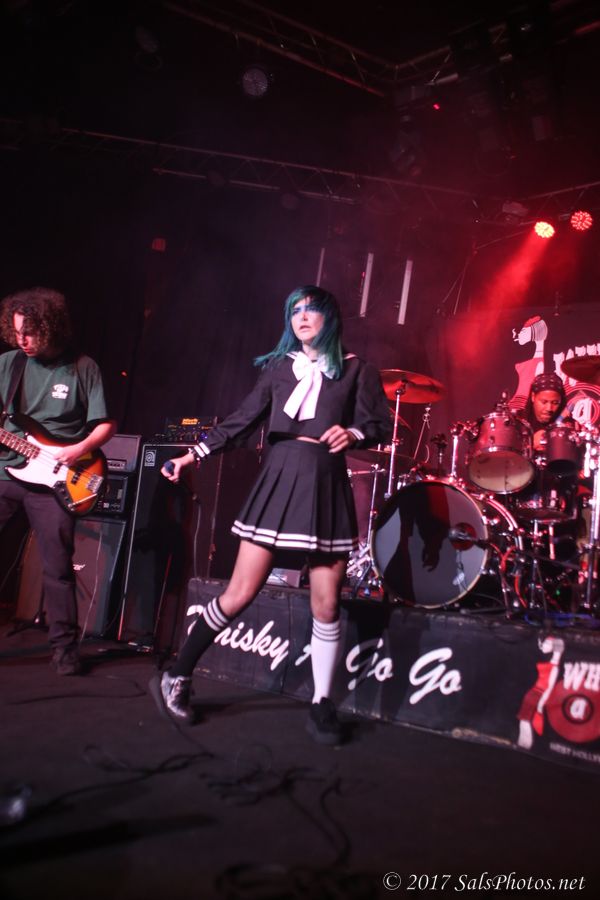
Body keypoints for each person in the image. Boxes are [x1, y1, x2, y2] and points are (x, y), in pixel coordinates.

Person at [150, 285, 392, 743]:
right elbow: (240, 421)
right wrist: (191, 456)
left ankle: (323, 703)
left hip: (325, 483)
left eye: (311, 310)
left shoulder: (358, 369)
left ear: (330, 318)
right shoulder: (279, 368)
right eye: (295, 311)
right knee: (240, 592)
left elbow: (379, 424)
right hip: (280, 478)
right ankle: (177, 674)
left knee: (327, 603)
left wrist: (355, 434)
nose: (302, 317)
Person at [0, 287, 116, 675]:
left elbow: (106, 424)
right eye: (17, 332)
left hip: (57, 478)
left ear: (50, 328)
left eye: (30, 333)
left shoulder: (83, 367)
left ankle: (65, 649)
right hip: (7, 470)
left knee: (57, 566)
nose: (22, 340)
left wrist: (76, 449)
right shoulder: (8, 364)